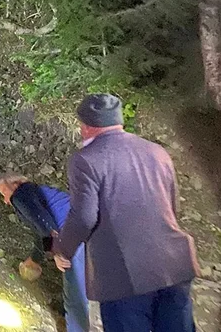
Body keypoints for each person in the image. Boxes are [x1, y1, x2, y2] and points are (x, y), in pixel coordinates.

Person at [52, 94, 199, 332]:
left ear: (87, 126)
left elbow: (84, 217)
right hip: (174, 265)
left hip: (125, 276)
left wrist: (63, 250)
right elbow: (172, 208)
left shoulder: (86, 160)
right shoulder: (156, 151)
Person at [0, 173, 89, 332]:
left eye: (4, 193)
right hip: (89, 231)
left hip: (73, 236)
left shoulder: (21, 194)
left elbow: (43, 221)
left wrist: (59, 252)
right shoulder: (37, 192)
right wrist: (34, 259)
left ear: (16, 184)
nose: (6, 200)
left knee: (74, 297)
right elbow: (41, 233)